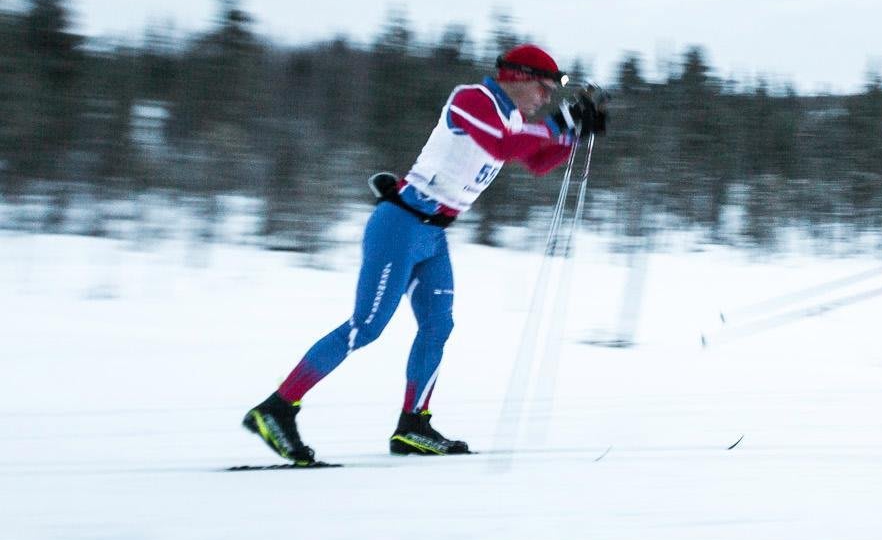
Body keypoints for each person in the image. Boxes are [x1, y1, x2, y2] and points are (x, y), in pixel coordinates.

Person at [241, 44, 607, 464]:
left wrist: (576, 134)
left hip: (433, 235)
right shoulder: (473, 99)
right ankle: (277, 408)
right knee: (367, 327)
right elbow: (503, 146)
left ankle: (413, 426)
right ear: (519, 78)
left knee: (437, 327)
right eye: (543, 89)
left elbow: (539, 161)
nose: (545, 99)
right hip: (400, 225)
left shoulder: (513, 118)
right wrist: (561, 126)